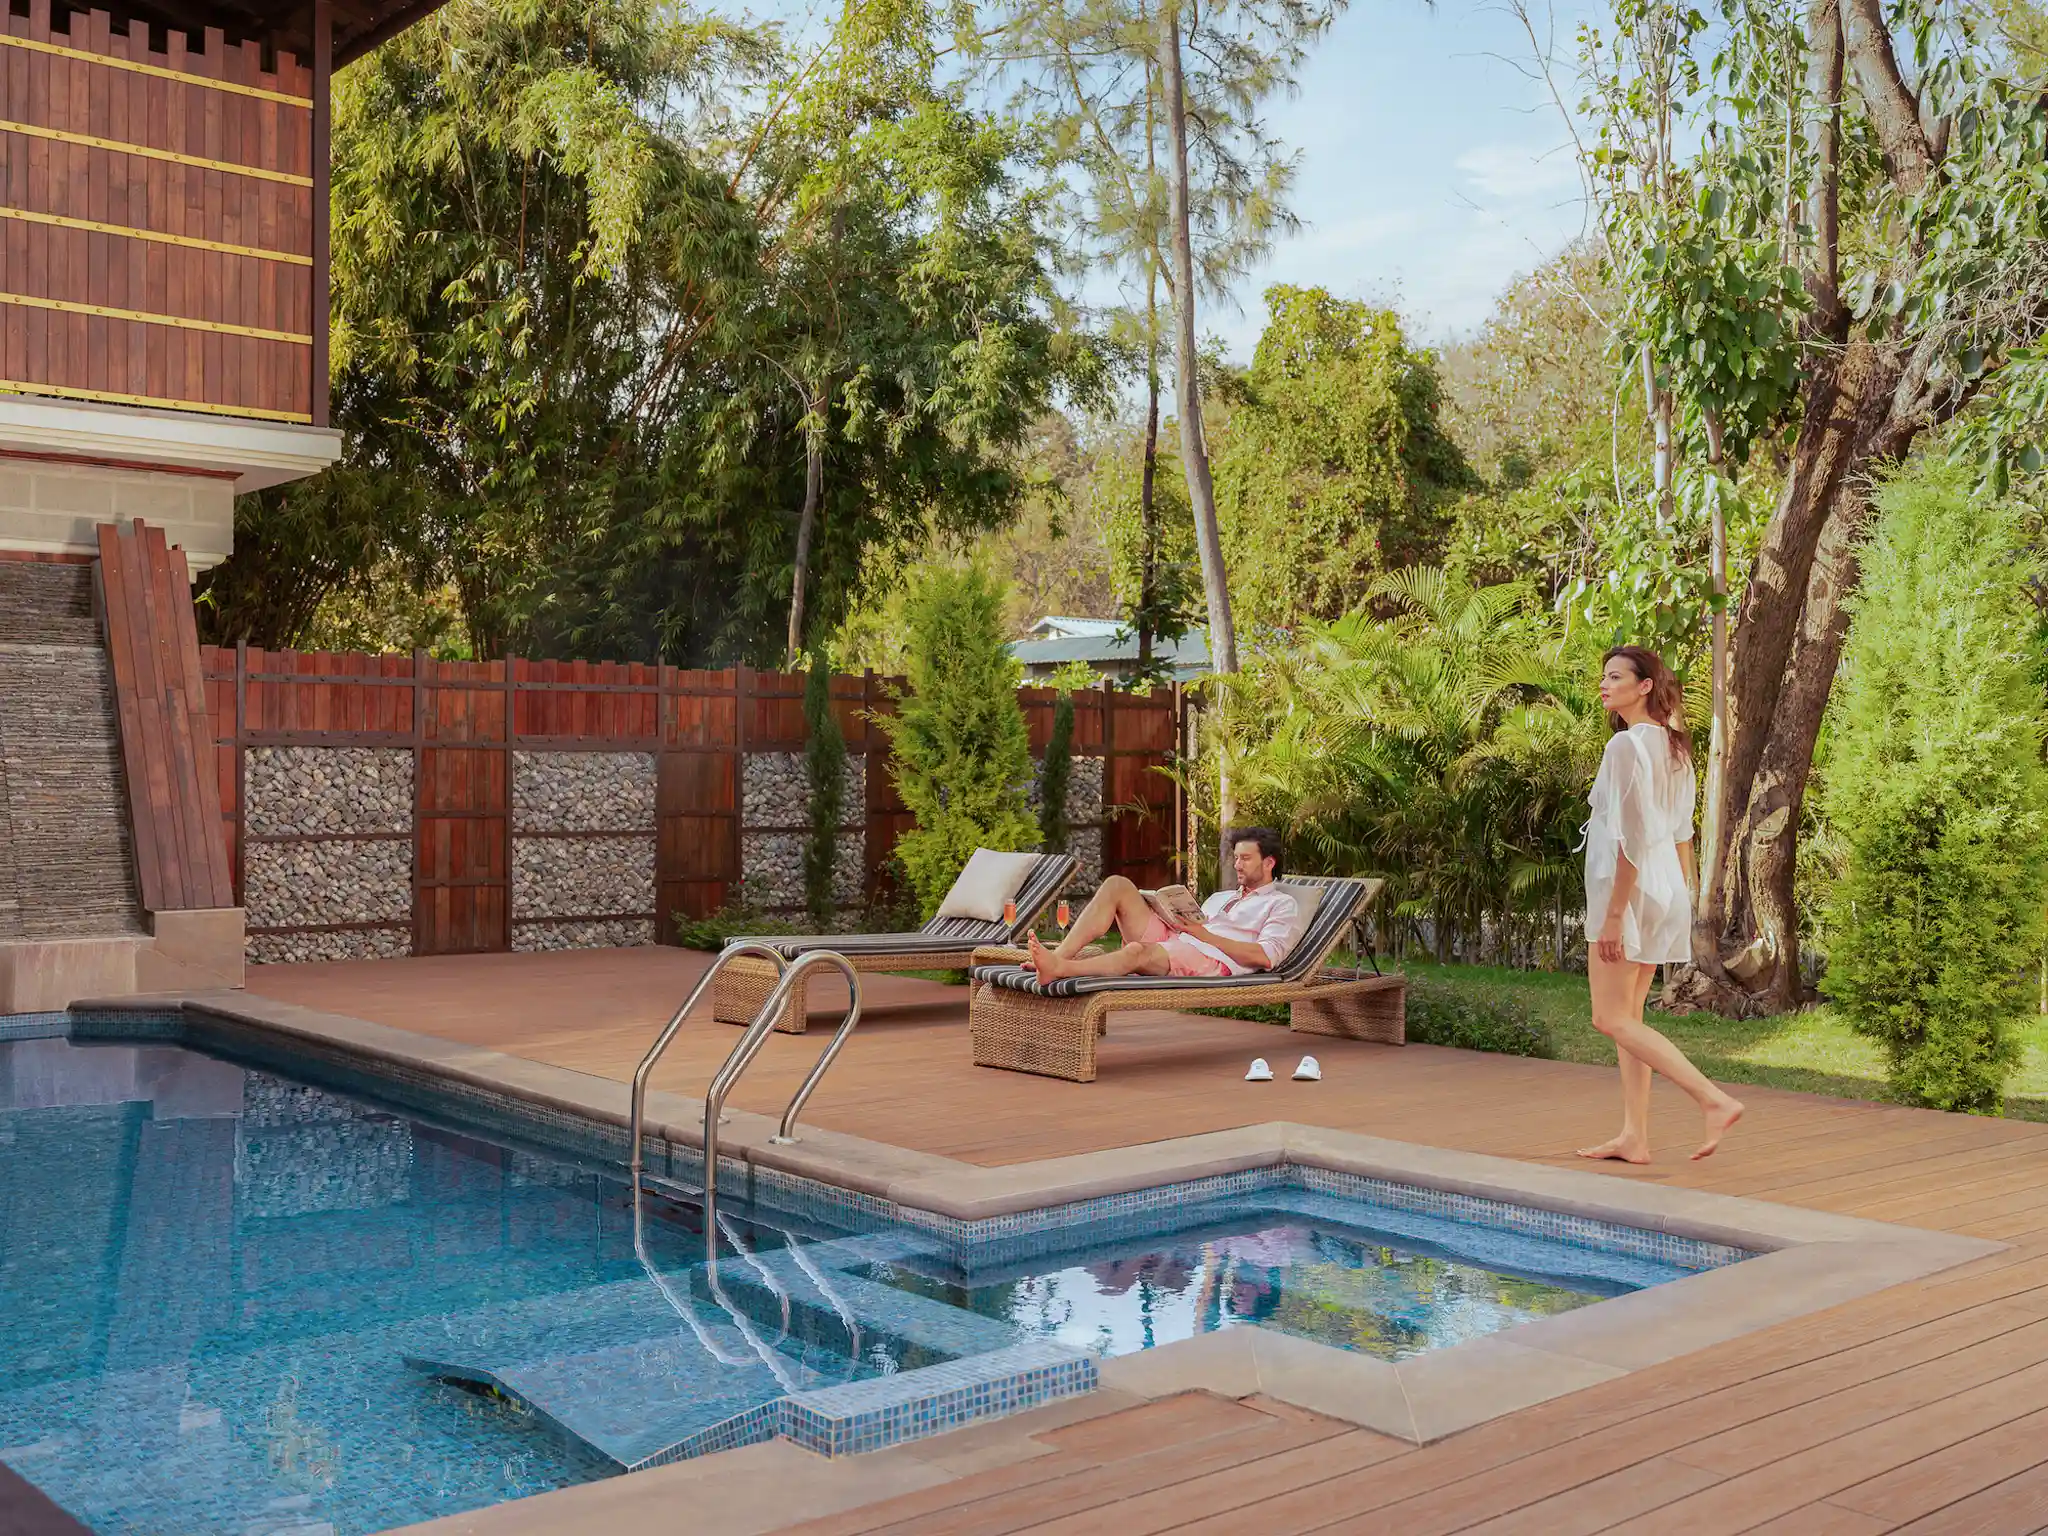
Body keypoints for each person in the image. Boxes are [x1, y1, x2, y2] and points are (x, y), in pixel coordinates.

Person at [1577, 645, 1745, 1163]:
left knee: (1608, 1018)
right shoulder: (1675, 747)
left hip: (1627, 894)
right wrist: (1683, 895)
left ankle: (1712, 1099)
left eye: (1615, 676)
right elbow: (1680, 835)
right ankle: (1635, 1136)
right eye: (1602, 676)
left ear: (1645, 685)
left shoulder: (1626, 748)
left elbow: (1629, 840)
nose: (1604, 685)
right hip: (1661, 888)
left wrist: (1611, 916)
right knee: (1630, 1016)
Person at [1026, 829, 1303, 983]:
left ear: (1269, 863)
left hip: (1212, 960)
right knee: (1117, 885)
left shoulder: (1281, 904)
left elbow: (1266, 957)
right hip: (1179, 939)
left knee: (1135, 952)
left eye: (1246, 859)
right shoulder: (1222, 897)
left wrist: (1202, 935)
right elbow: (1195, 927)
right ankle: (1059, 957)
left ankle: (1061, 969)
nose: (1237, 865)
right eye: (1236, 858)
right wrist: (1169, 916)